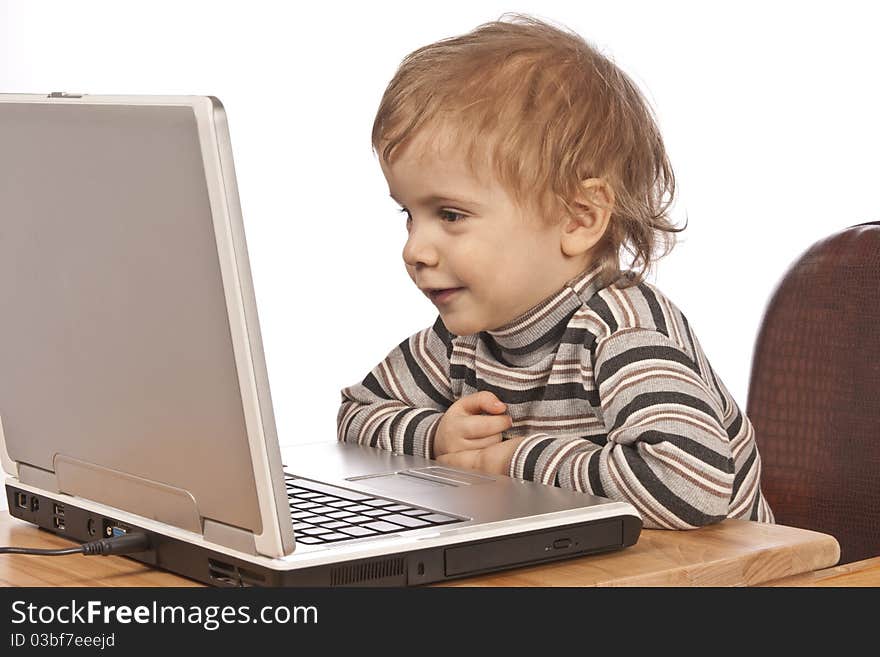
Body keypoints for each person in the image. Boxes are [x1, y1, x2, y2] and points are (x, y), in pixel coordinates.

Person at [336, 13, 774, 529]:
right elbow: (356, 416)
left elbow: (692, 487)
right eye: (409, 215)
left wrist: (509, 462)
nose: (415, 249)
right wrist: (435, 435)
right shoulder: (463, 338)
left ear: (579, 218)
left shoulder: (623, 332)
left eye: (450, 215)